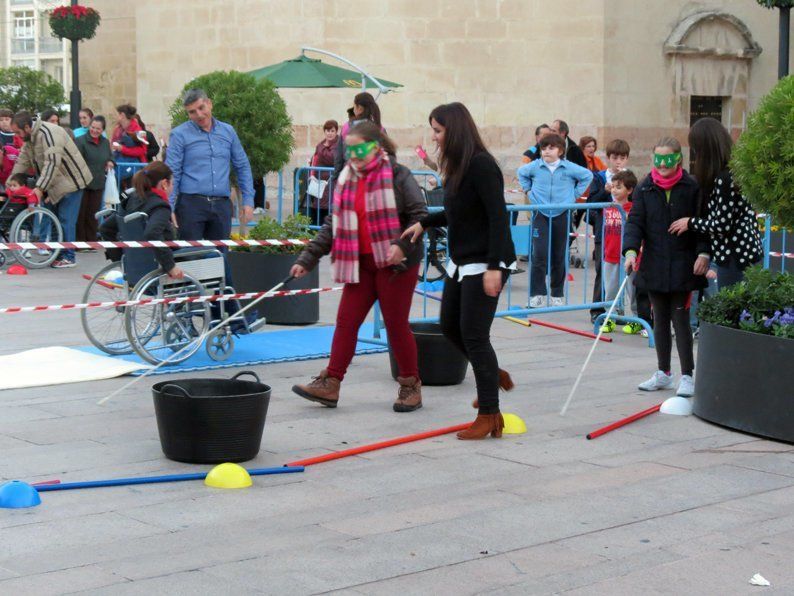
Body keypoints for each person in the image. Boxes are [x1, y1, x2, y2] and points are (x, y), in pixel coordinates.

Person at [290, 121, 428, 412]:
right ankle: (331, 383)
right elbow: (332, 224)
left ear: (377, 147)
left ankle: (410, 385)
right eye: (348, 148)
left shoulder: (398, 175)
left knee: (395, 324)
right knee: (346, 321)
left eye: (359, 148)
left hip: (396, 265)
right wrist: (308, 257)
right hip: (360, 263)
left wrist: (401, 246)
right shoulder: (344, 179)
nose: (353, 154)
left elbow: (419, 217)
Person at [402, 102, 517, 440]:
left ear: (454, 130)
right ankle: (491, 373)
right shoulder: (458, 167)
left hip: (485, 261)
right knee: (450, 326)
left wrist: (495, 267)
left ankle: (490, 414)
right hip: (462, 260)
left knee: (475, 335)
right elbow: (456, 212)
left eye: (438, 130)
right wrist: (425, 222)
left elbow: (498, 217)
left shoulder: (482, 165)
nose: (435, 137)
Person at [623, 137, 709, 398]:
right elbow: (635, 222)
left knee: (680, 319)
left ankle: (687, 376)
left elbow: (703, 223)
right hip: (654, 264)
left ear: (679, 160)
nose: (662, 164)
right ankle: (663, 373)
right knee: (659, 319)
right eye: (657, 159)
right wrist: (630, 251)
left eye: (667, 159)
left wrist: (703, 252)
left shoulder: (692, 186)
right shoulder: (645, 187)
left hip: (684, 264)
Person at [668, 117, 763, 290]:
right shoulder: (734, 171)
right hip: (745, 251)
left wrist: (690, 222)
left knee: (733, 309)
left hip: (735, 255)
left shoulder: (724, 178)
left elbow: (722, 224)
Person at [166, 88, 255, 242]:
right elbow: (172, 173)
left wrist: (248, 201)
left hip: (222, 206)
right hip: (190, 205)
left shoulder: (228, 132)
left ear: (209, 104)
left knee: (220, 257)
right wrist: (169, 206)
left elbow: (242, 166)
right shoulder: (179, 134)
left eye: (201, 108)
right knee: (190, 259)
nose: (199, 115)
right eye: (192, 112)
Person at [517, 133, 593, 307]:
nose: (546, 151)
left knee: (559, 255)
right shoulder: (535, 166)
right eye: (543, 148)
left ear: (560, 150)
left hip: (561, 214)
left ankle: (557, 293)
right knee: (539, 254)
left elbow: (587, 176)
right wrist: (528, 192)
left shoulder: (568, 167)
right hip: (540, 214)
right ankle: (537, 293)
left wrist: (573, 196)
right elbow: (521, 172)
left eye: (551, 148)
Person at [10, 111, 92, 268]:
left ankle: (68, 257)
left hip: (71, 181)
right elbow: (23, 160)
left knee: (66, 220)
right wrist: (10, 184)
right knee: (55, 220)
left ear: (27, 127)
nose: (17, 135)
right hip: (54, 183)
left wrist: (40, 188)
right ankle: (57, 254)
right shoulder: (30, 138)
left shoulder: (49, 133)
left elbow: (52, 163)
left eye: (18, 132)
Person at [99, 162, 183, 279]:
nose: (173, 187)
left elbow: (106, 228)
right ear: (164, 183)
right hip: (166, 261)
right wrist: (170, 266)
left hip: (135, 265)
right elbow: (152, 233)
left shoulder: (130, 199)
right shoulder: (160, 206)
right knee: (211, 254)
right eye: (172, 183)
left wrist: (121, 260)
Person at [586, 139, 631, 323]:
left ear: (627, 159)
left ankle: (618, 308)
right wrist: (605, 192)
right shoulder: (599, 177)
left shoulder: (630, 177)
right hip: (604, 229)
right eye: (614, 157)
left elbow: (636, 198)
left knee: (624, 270)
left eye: (622, 158)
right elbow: (591, 203)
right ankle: (598, 309)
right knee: (602, 270)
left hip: (625, 230)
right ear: (608, 158)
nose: (618, 161)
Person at [598, 170, 638, 332]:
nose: (614, 190)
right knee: (610, 289)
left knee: (632, 290)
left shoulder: (633, 209)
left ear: (629, 190)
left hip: (627, 257)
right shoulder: (608, 207)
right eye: (613, 187)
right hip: (610, 255)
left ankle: (636, 318)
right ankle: (610, 317)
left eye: (619, 187)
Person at [75, 116, 114, 242]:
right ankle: (80, 242)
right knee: (81, 214)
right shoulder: (80, 141)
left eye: (98, 128)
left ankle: (91, 241)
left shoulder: (105, 142)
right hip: (83, 183)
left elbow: (110, 156)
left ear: (102, 130)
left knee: (94, 214)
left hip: (98, 183)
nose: (94, 130)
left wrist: (110, 161)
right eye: (92, 127)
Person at [333, 92, 382, 176]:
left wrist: (336, 176)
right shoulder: (379, 127)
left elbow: (339, 156)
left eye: (354, 106)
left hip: (350, 173)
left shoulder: (347, 127)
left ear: (359, 108)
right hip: (374, 175)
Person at [307, 119, 339, 225]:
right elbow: (316, 159)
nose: (329, 133)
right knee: (316, 210)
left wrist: (321, 151)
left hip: (331, 183)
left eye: (332, 131)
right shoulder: (320, 145)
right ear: (324, 131)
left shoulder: (338, 145)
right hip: (318, 183)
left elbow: (332, 158)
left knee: (328, 210)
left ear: (336, 132)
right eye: (327, 130)